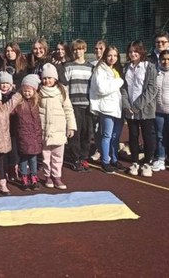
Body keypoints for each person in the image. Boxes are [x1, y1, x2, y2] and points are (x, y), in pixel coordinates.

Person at [121, 41, 157, 177]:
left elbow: (152, 89)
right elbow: (123, 88)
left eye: (135, 51)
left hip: (145, 109)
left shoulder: (150, 67)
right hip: (130, 110)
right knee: (133, 136)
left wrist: (137, 106)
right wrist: (127, 105)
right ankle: (135, 162)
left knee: (148, 136)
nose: (132, 54)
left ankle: (147, 163)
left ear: (141, 52)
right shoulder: (126, 68)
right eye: (130, 51)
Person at [39, 63, 76, 189]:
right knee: (46, 156)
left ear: (55, 78)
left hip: (59, 130)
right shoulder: (38, 92)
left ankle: (57, 177)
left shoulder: (61, 91)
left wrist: (71, 126)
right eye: (44, 78)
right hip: (44, 130)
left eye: (49, 78)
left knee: (58, 156)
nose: (47, 80)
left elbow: (68, 109)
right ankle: (47, 176)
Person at [89, 46, 124, 174]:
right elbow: (101, 89)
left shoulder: (115, 69)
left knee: (115, 136)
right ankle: (105, 161)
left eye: (115, 55)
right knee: (107, 135)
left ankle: (114, 159)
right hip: (107, 108)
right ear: (105, 56)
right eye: (110, 55)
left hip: (117, 107)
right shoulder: (100, 70)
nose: (112, 58)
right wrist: (119, 82)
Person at [64, 39, 94, 172]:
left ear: (85, 49)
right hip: (74, 105)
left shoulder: (91, 67)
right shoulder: (68, 66)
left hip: (87, 106)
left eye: (80, 49)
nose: (78, 52)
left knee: (87, 134)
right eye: (75, 49)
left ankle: (83, 158)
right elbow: (65, 87)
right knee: (74, 135)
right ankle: (75, 159)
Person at [13, 74, 43, 190]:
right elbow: (11, 112)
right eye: (25, 91)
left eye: (29, 91)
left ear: (34, 90)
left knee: (33, 159)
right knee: (24, 158)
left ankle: (34, 177)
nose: (27, 93)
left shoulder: (36, 102)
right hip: (23, 136)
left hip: (34, 136)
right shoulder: (20, 103)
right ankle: (24, 177)